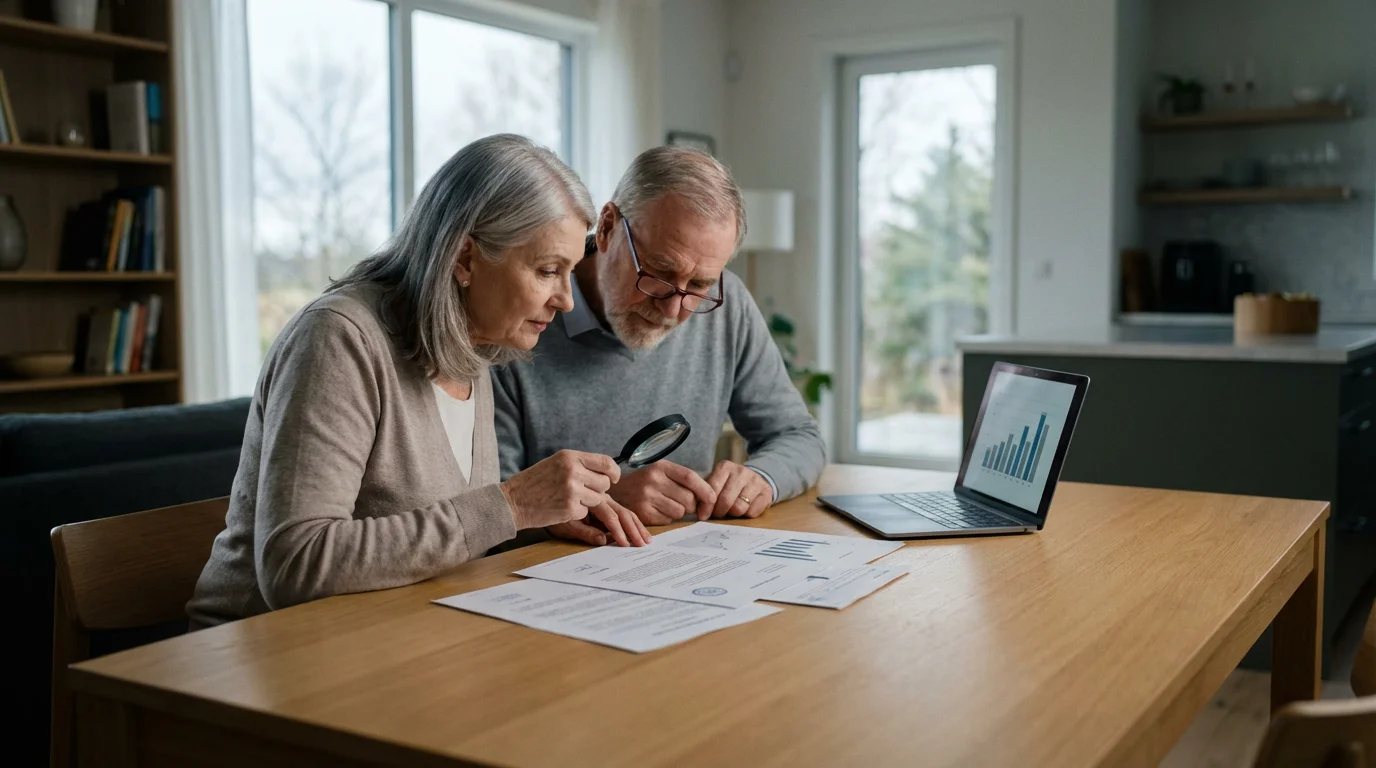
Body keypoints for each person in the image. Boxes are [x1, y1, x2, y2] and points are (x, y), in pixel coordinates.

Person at [188, 135, 650, 628]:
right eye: (546, 271)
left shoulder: (475, 344)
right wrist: (511, 505)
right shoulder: (338, 339)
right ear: (465, 258)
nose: (566, 301)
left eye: (569, 272)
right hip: (258, 656)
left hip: (392, 635)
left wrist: (536, 520)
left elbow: (439, 534)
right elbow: (295, 564)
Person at [492, 147, 825, 539]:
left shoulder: (727, 305)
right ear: (607, 227)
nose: (672, 310)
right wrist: (605, 501)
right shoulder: (518, 314)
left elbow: (799, 437)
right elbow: (487, 509)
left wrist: (760, 478)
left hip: (684, 566)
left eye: (699, 285)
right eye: (660, 272)